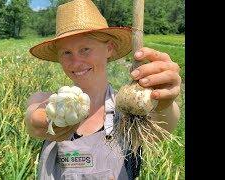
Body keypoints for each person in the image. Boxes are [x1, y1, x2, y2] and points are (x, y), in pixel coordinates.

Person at [25, 0, 181, 179]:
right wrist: (44, 120)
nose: (76, 62)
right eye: (66, 53)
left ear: (109, 48)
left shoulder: (128, 110)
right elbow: (32, 119)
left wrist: (164, 101)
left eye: (85, 49)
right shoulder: (47, 101)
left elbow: (163, 124)